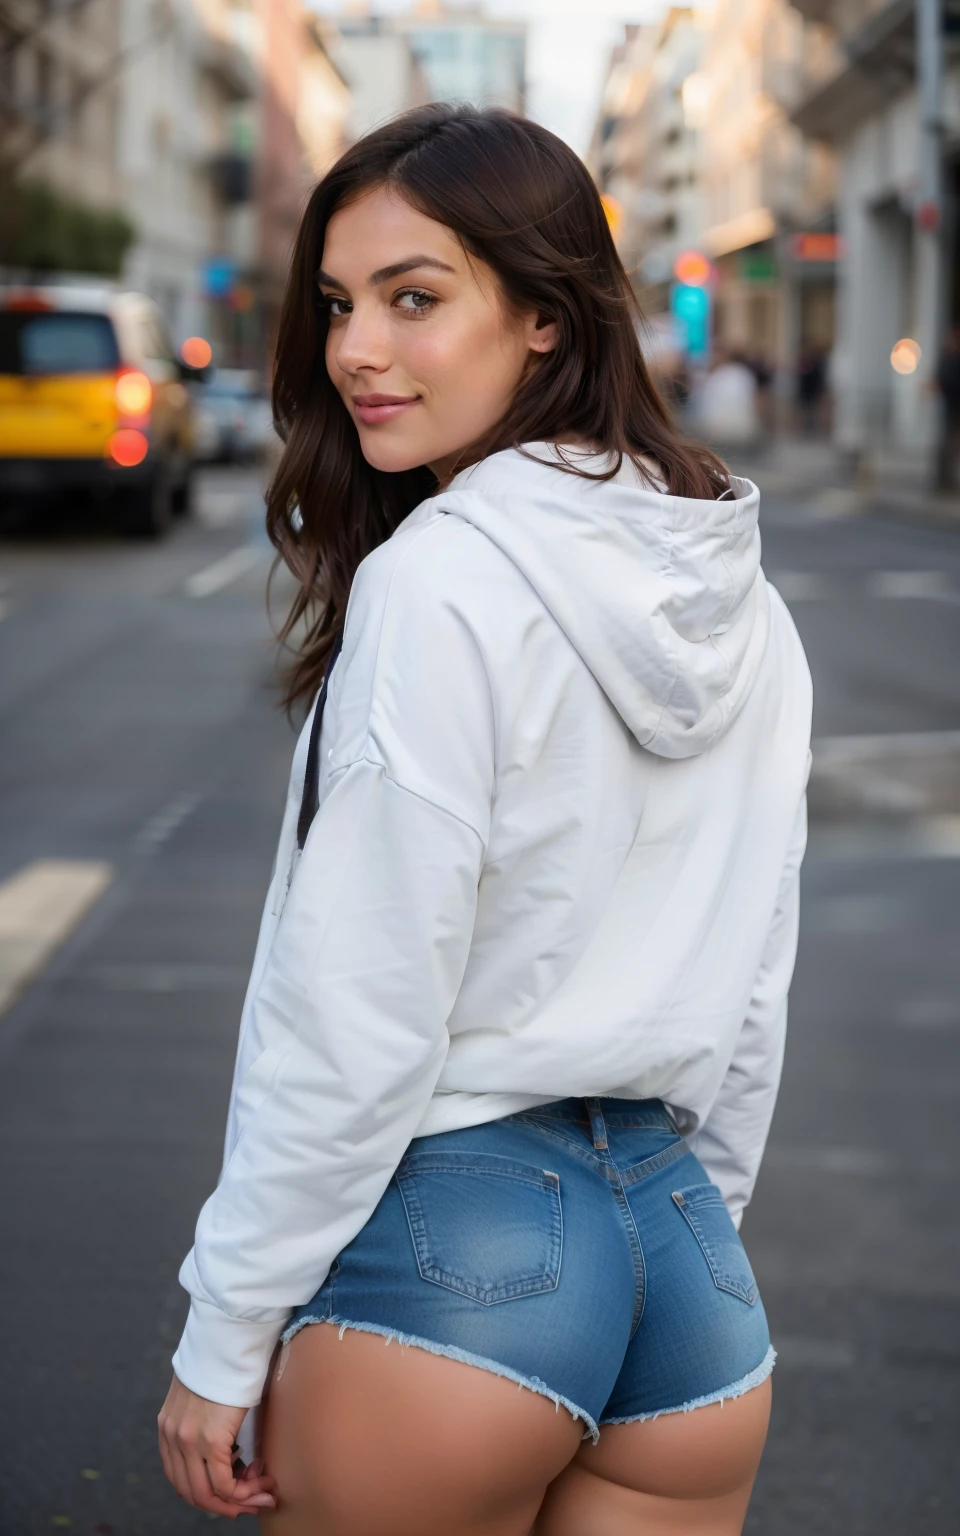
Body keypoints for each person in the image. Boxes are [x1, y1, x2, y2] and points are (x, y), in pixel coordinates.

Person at [157, 105, 812, 1535]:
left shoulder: (441, 579)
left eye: (415, 298)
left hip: (462, 1261)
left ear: (544, 317)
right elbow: (751, 983)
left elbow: (359, 1004)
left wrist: (226, 1332)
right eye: (338, 303)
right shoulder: (744, 603)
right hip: (689, 1275)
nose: (354, 352)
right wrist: (683, 1252)